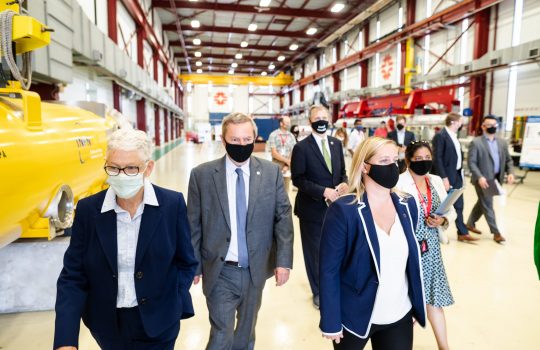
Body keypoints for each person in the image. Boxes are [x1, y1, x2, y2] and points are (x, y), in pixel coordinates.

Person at [54, 128, 197, 350]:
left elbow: (186, 261)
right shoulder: (89, 210)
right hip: (108, 325)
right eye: (114, 168)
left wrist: (173, 299)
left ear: (148, 168)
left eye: (131, 168)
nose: (121, 175)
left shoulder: (171, 204)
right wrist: (65, 340)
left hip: (159, 321)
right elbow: (73, 276)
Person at [187, 113, 294, 350]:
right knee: (221, 334)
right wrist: (193, 265)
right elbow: (193, 224)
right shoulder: (202, 175)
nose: (242, 145)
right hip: (220, 269)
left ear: (255, 139)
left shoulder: (270, 172)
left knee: (246, 333)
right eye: (235, 140)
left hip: (256, 268)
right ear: (223, 141)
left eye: (247, 139)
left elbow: (283, 218)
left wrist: (283, 262)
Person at [319, 137, 426, 349]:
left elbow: (411, 259)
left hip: (399, 313)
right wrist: (331, 321)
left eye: (395, 160)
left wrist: (415, 304)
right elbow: (329, 270)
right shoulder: (344, 210)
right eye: (384, 160)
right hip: (354, 317)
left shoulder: (408, 205)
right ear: (365, 167)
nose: (392, 167)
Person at [396, 141, 456, 350]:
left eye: (427, 159)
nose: (424, 163)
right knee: (408, 303)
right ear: (408, 160)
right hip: (409, 250)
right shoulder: (399, 183)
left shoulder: (436, 181)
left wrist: (442, 221)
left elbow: (449, 211)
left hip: (431, 249)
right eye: (418, 159)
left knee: (434, 299)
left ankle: (444, 347)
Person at [291, 105, 348, 309]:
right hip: (312, 209)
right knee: (315, 252)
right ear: (310, 121)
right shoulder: (301, 148)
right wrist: (324, 191)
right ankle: (318, 292)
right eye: (317, 117)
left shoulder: (336, 144)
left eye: (325, 117)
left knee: (336, 249)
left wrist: (344, 183)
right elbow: (298, 179)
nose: (321, 121)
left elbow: (342, 172)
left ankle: (334, 286)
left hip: (336, 208)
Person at [467, 115, 515, 243]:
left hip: (495, 179)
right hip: (482, 180)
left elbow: (508, 160)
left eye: (495, 125)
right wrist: (480, 177)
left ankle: (470, 223)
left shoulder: (502, 142)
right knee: (488, 205)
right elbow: (471, 162)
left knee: (482, 203)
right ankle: (496, 233)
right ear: (483, 127)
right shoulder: (476, 142)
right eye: (489, 125)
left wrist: (510, 172)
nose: (493, 127)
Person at [432, 113, 478, 242]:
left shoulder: (454, 136)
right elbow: (437, 158)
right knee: (441, 205)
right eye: (460, 122)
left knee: (459, 204)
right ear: (453, 122)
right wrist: (444, 178)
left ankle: (462, 232)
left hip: (457, 174)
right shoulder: (440, 136)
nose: (461, 124)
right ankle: (436, 231)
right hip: (446, 176)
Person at [267, 115, 297, 191]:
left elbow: (293, 152)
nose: (289, 124)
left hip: (287, 167)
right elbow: (274, 153)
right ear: (281, 123)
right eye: (287, 122)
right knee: (275, 190)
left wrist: (287, 165)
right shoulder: (273, 135)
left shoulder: (291, 136)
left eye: (289, 122)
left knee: (286, 190)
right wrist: (287, 161)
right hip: (276, 166)